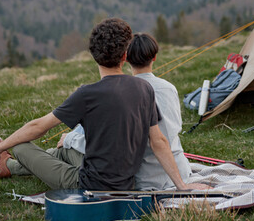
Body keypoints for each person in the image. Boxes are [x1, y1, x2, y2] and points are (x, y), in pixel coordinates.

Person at [0, 18, 209, 191]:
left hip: (88, 185)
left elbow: (37, 127)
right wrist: (182, 185)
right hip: (127, 183)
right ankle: (7, 167)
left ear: (93, 55)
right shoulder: (144, 89)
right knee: (64, 151)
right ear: (125, 56)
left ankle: (5, 161)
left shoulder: (87, 94)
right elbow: (158, 141)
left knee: (21, 146)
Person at [59, 33, 191, 190]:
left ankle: (28, 158)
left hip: (146, 178)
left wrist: (71, 140)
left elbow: (106, 147)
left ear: (125, 58)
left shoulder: (127, 94)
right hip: (180, 170)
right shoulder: (170, 88)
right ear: (154, 57)